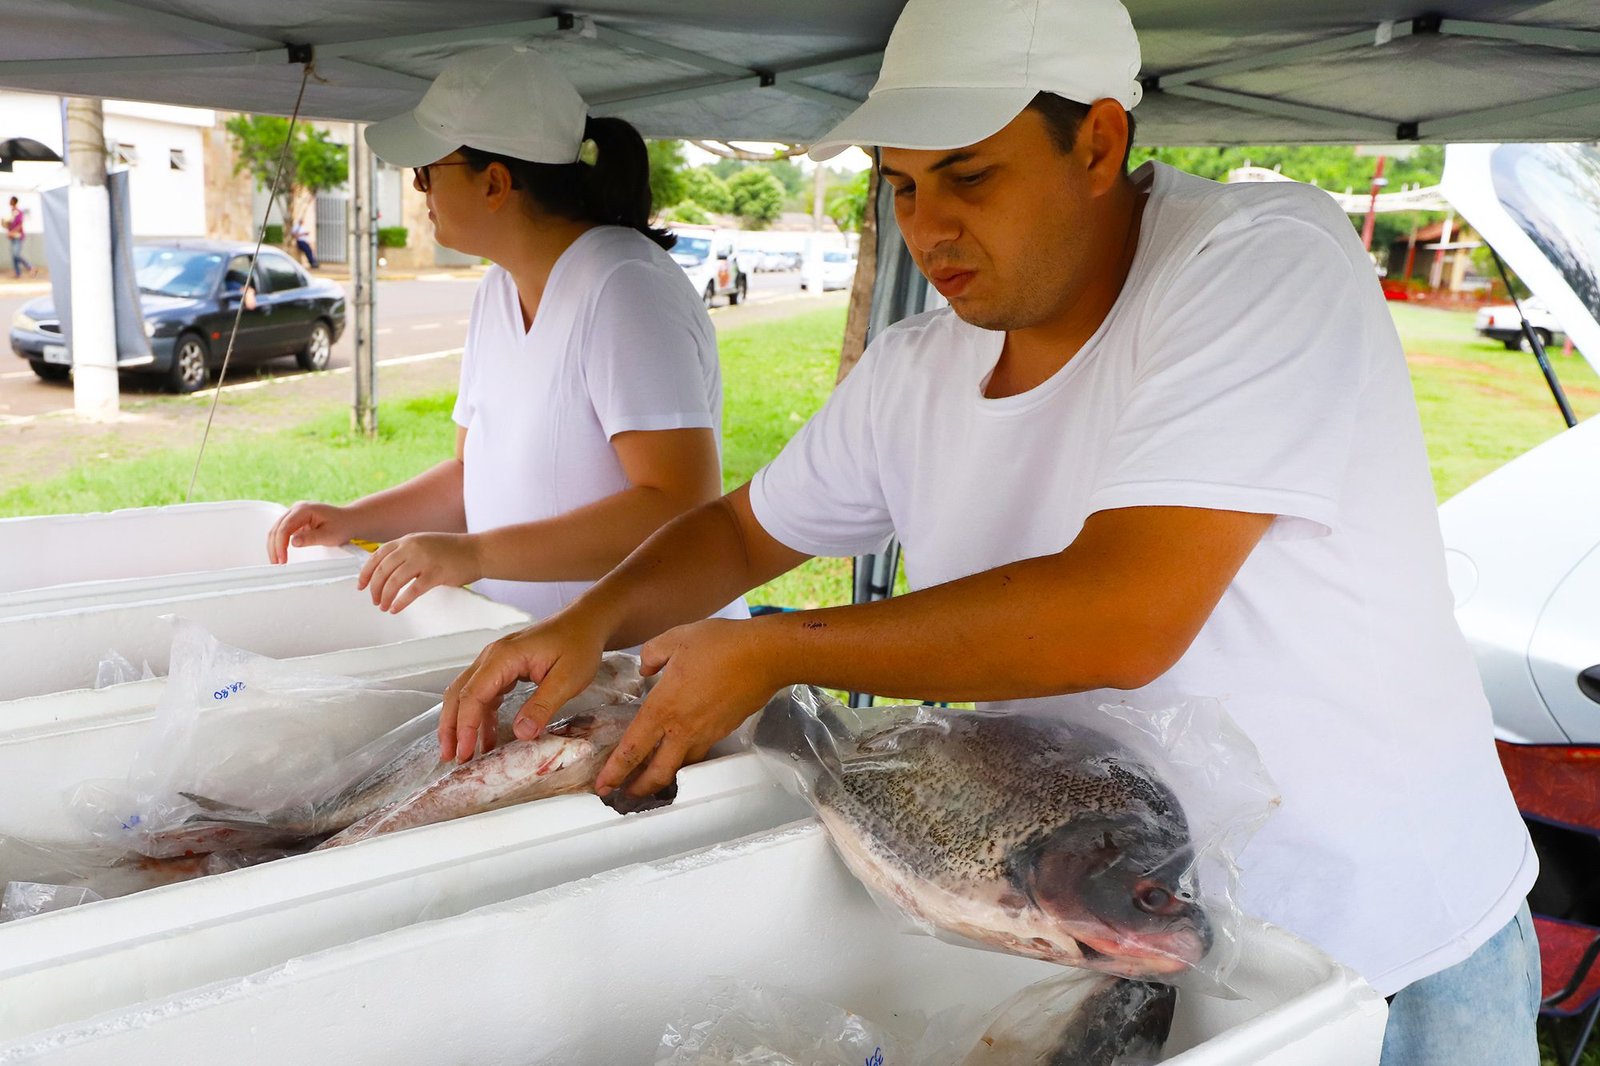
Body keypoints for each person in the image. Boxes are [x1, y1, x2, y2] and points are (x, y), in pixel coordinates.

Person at [440, 0, 1539, 1060]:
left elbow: (1125, 608)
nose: (929, 227)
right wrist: (589, 621)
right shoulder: (919, 367)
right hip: (1111, 930)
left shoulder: (1258, 261)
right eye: (902, 187)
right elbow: (735, 534)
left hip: (1382, 940)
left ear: (1099, 141)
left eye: (968, 175)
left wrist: (776, 648)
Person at [267, 44, 746, 631]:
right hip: (545, 651)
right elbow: (473, 476)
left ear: (495, 183)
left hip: (650, 659)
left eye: (427, 174)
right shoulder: (498, 289)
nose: (421, 194)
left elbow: (680, 506)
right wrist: (351, 519)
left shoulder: (625, 289)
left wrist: (473, 554)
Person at [6, 196, 37, 279]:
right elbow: (11, 224)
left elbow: (20, 225)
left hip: (18, 236)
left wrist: (12, 232)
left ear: (14, 202)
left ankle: (30, 267)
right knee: (13, 255)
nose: (9, 202)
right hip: (13, 236)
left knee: (16, 254)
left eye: (10, 201)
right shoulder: (12, 212)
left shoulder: (19, 212)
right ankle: (18, 273)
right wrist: (9, 230)